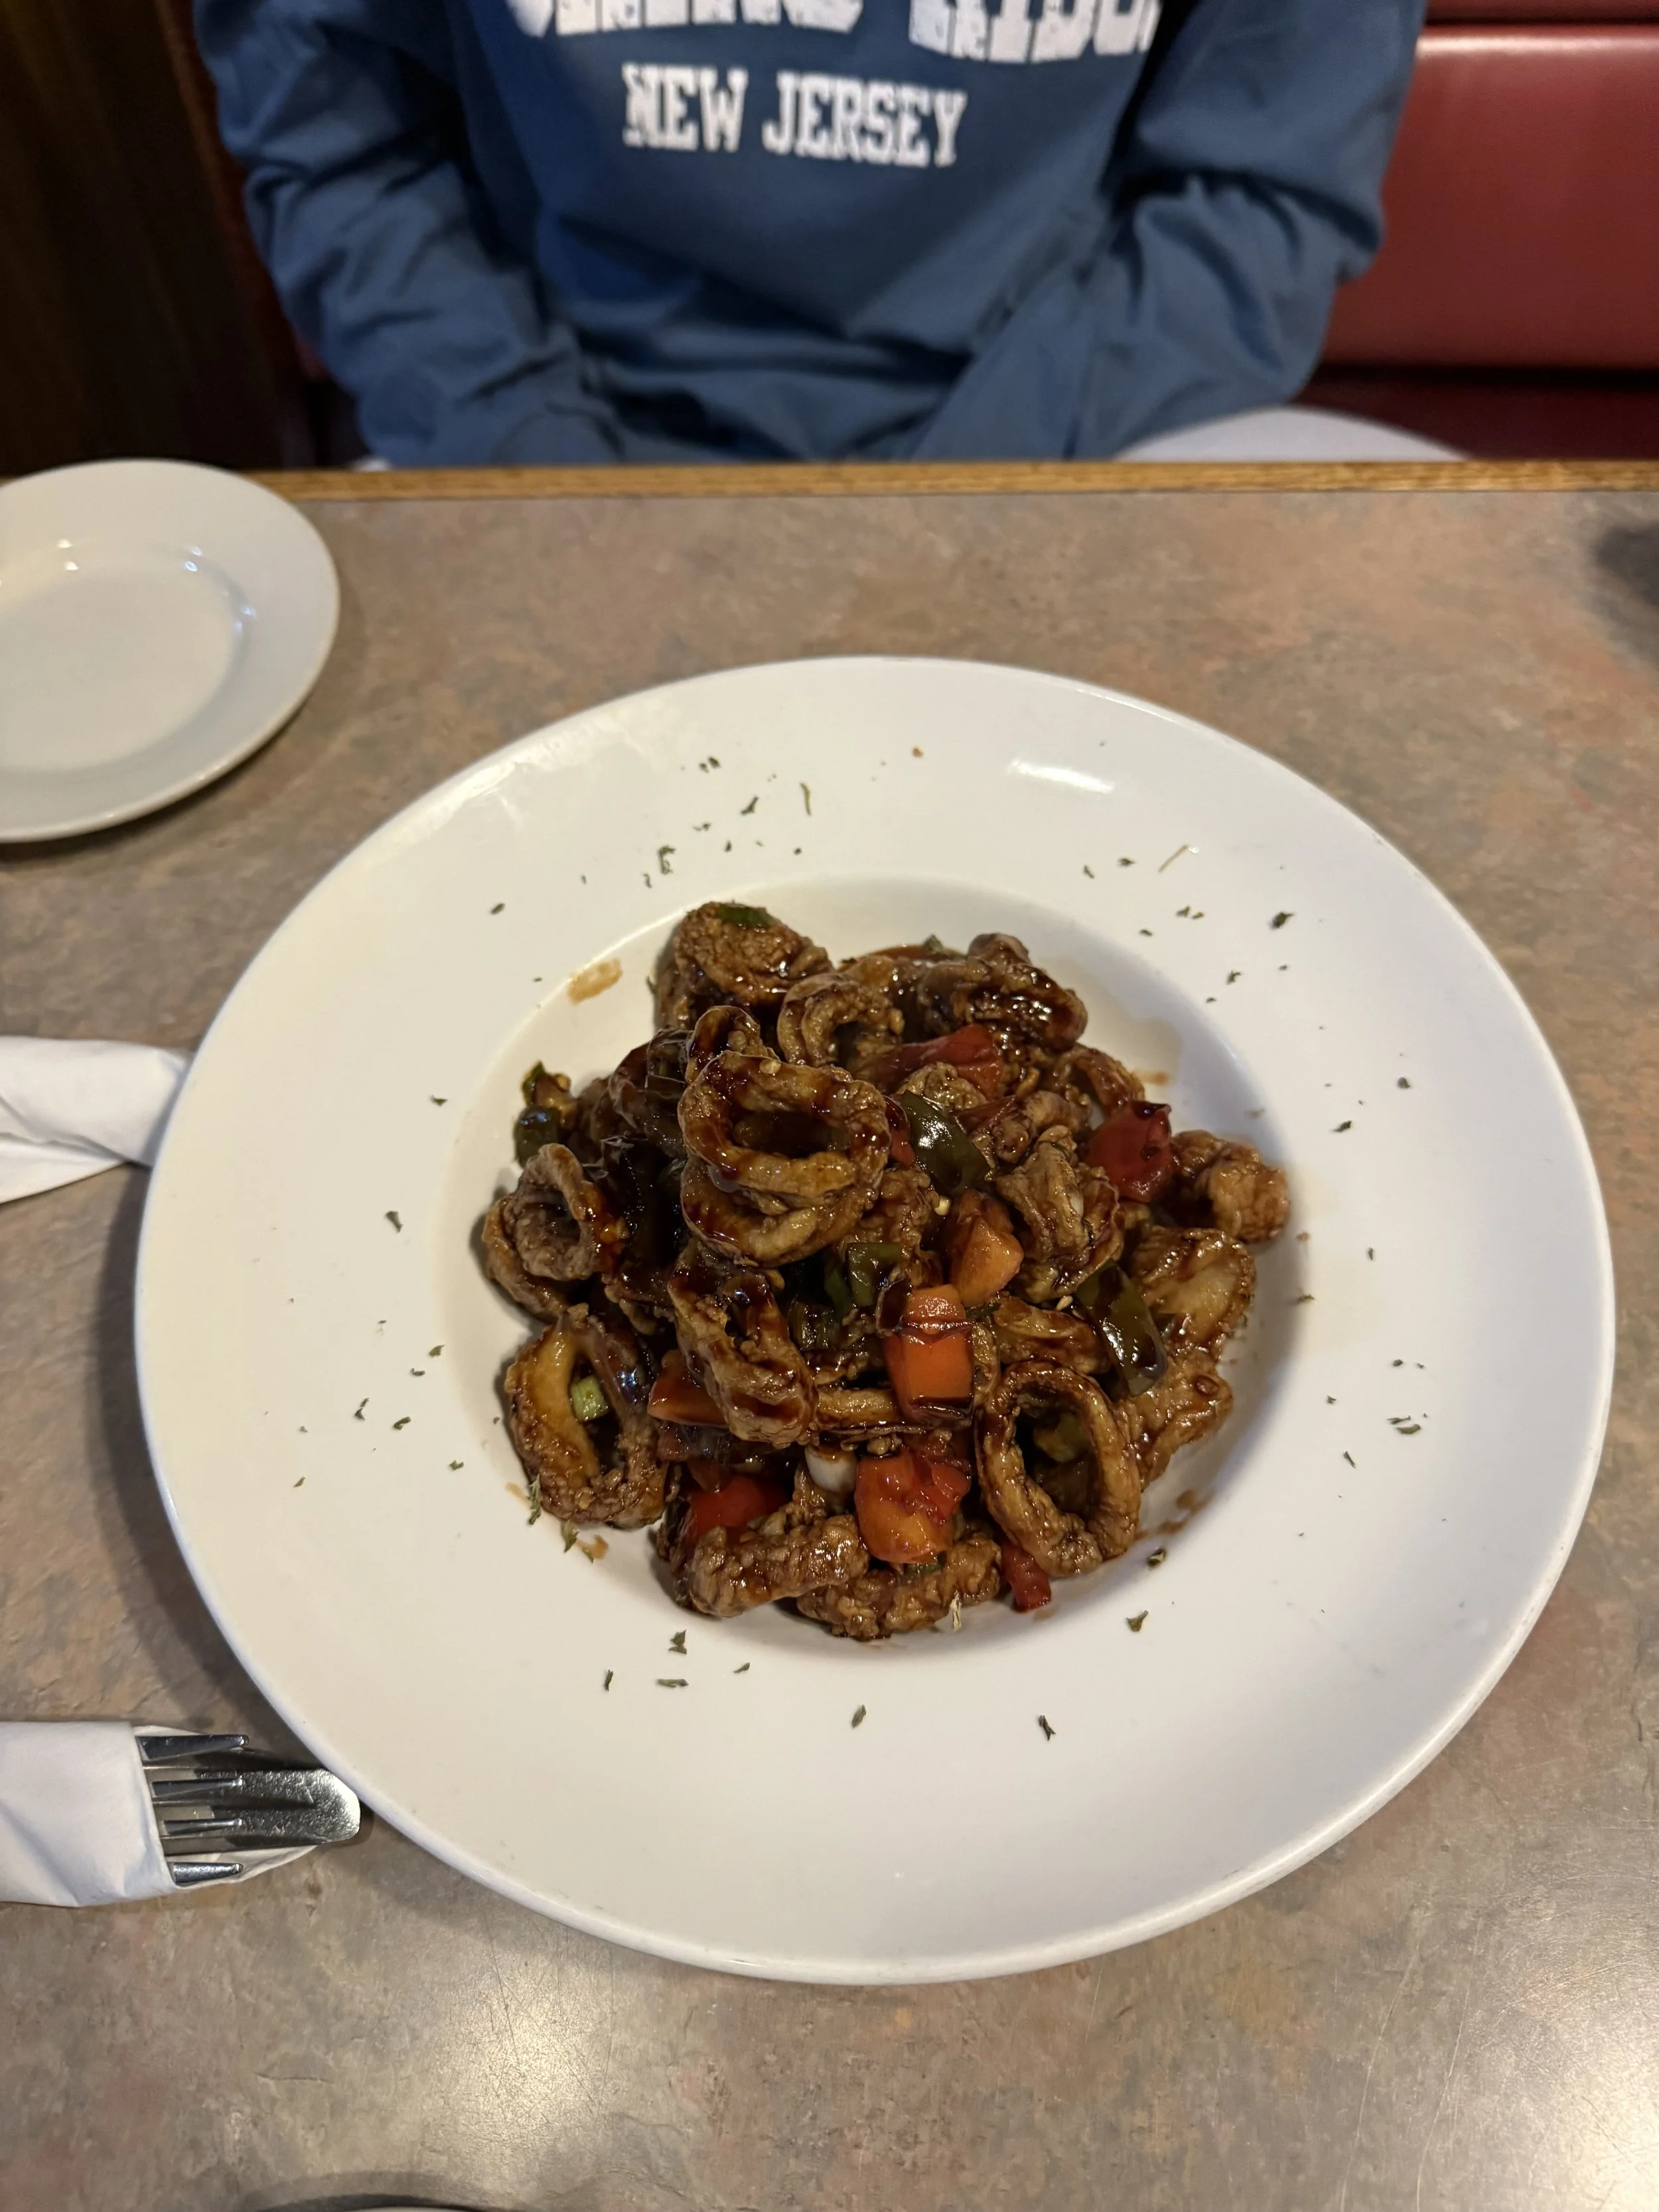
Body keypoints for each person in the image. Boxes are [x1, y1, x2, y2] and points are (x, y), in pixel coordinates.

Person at [194, 0, 1442, 467]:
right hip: (546, 445)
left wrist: (945, 510)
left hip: (1082, 432)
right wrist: (542, 468)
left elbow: (1262, 199)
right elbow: (344, 150)